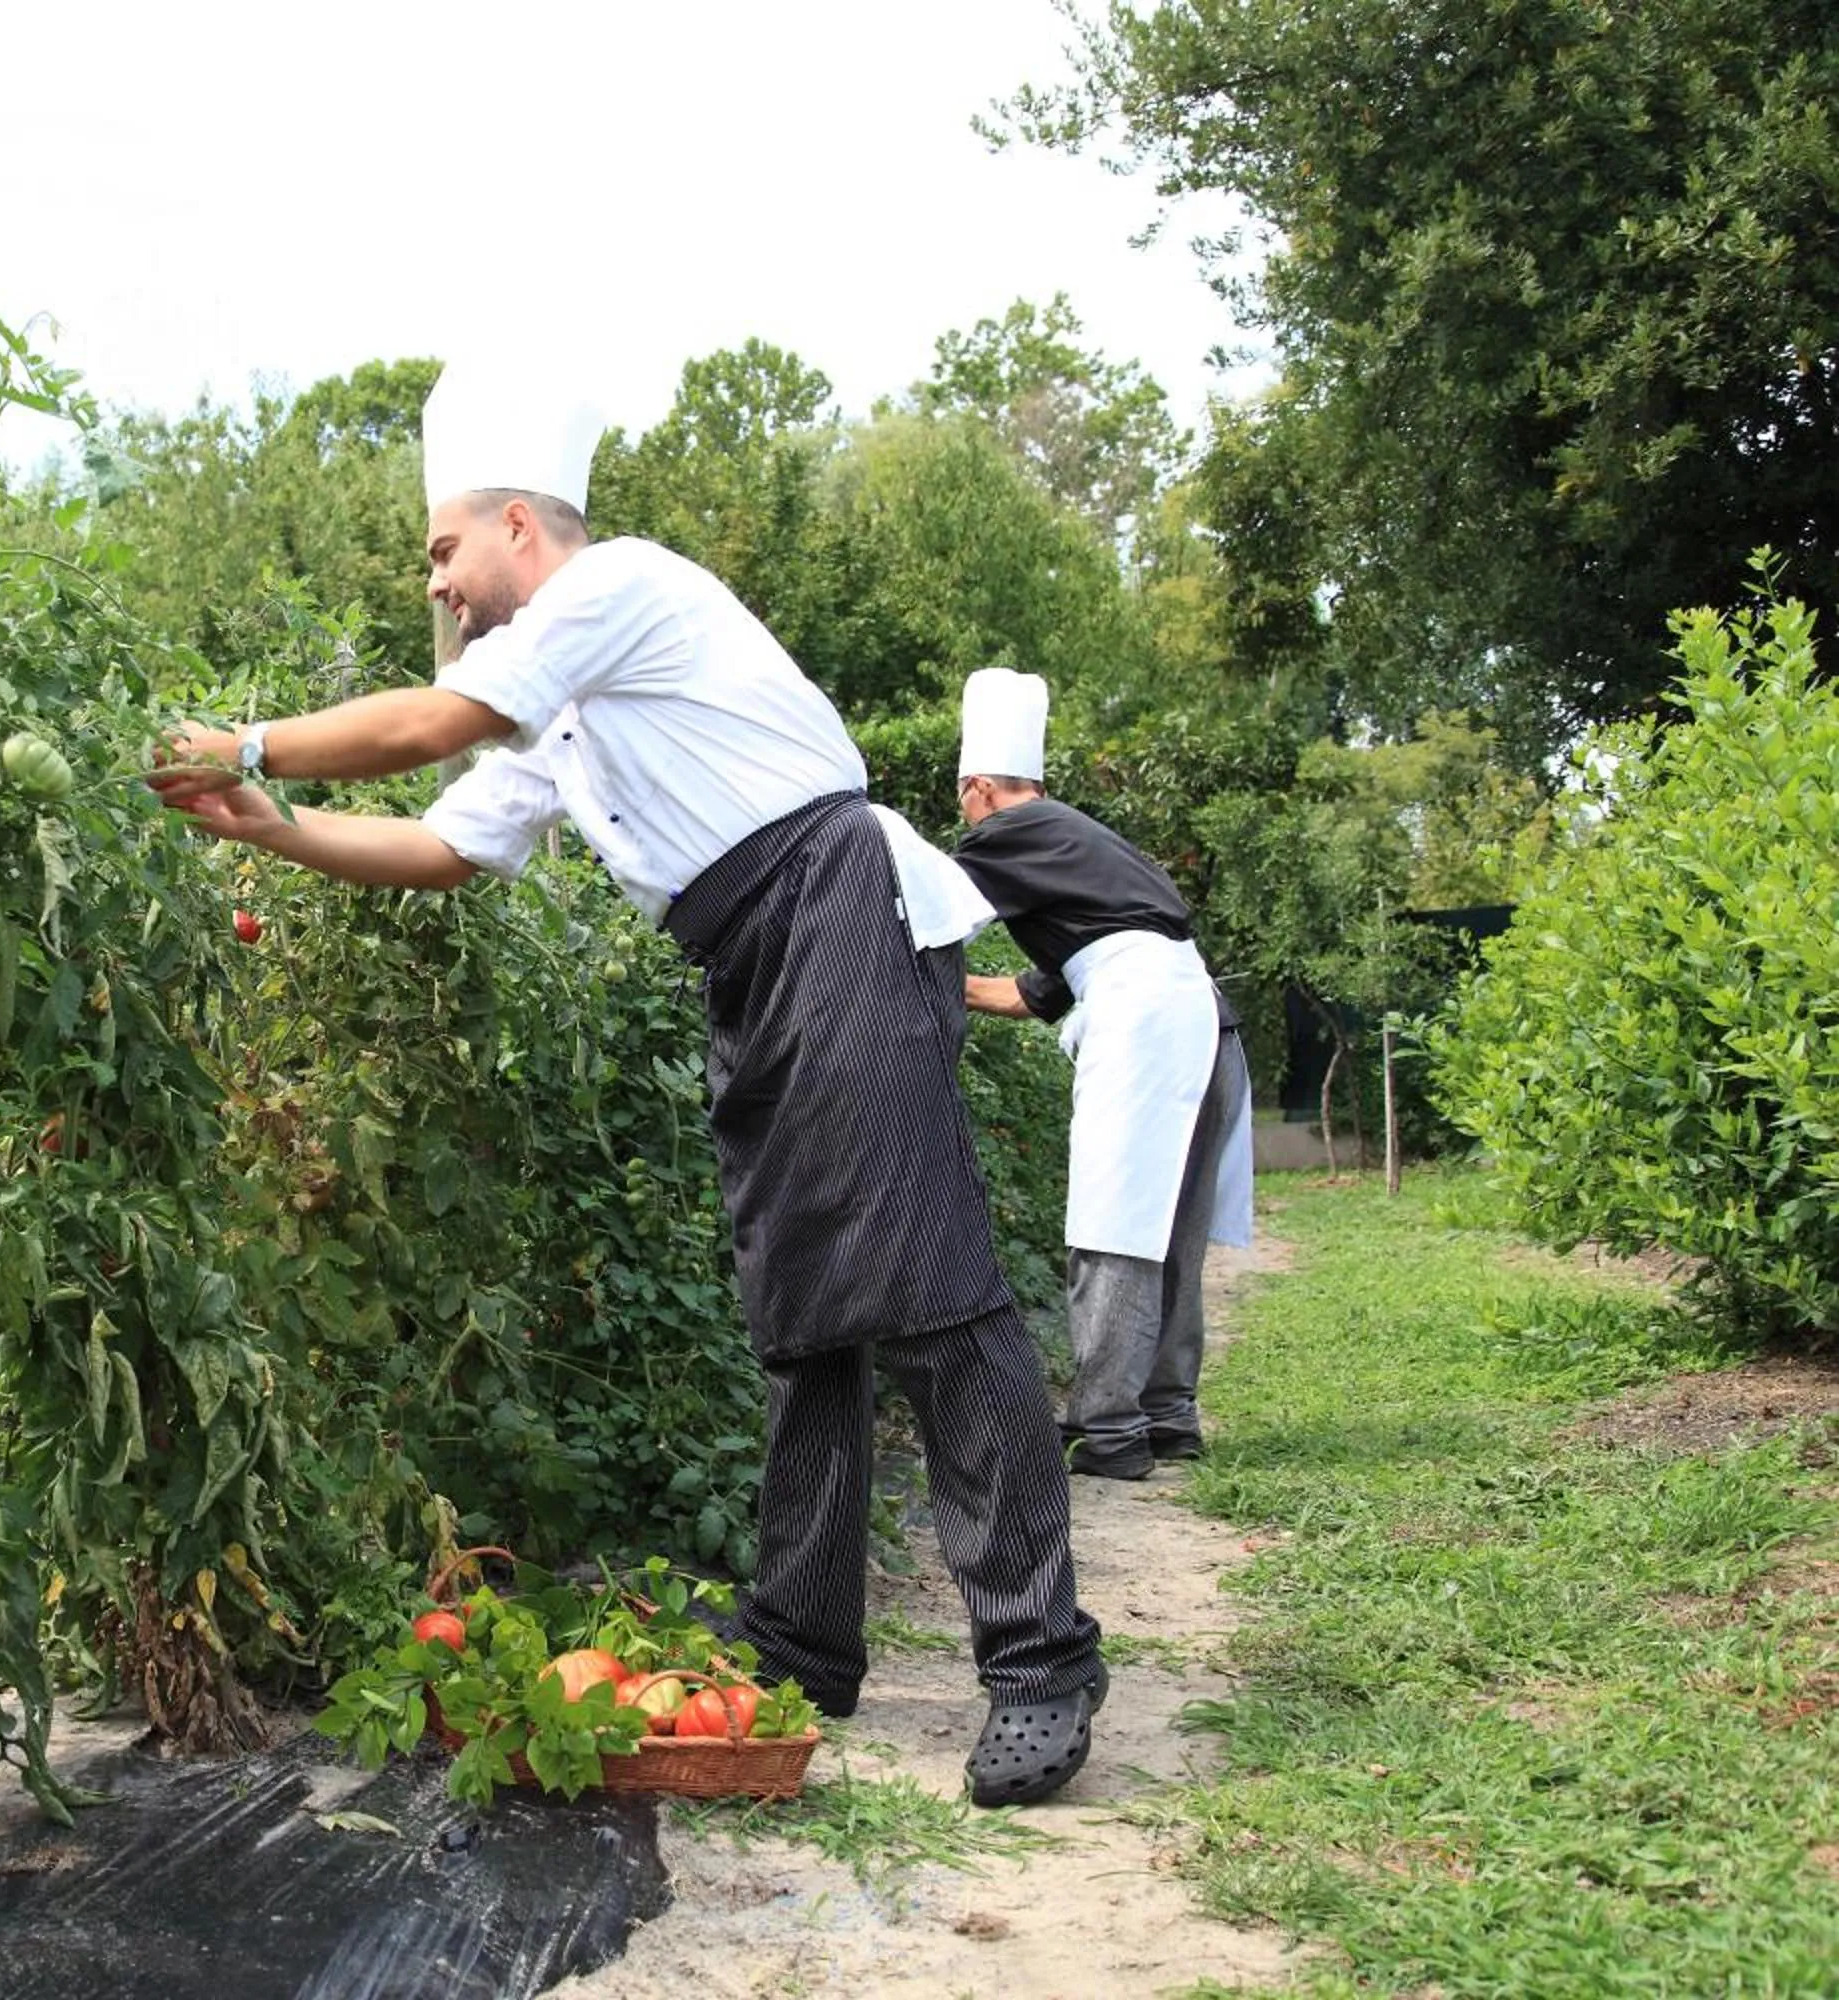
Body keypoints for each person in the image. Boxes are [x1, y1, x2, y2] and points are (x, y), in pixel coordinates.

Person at [146, 364, 1109, 1807]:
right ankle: (803, 1644)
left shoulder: (621, 585)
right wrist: (267, 824)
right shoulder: (563, 706)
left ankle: (1040, 1661)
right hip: (748, 957)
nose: (442, 585)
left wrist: (252, 743)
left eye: (444, 551)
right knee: (800, 1317)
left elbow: (426, 727)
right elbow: (447, 849)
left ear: (521, 526)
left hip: (837, 905)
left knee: (925, 1290)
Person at [948, 668, 1257, 1481]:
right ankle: (1167, 1416)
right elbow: (1031, 989)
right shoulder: (1086, 853)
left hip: (1147, 1022)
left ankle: (1109, 1430)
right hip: (1205, 1017)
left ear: (979, 787)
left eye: (962, 801)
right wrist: (949, 988)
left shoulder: (1000, 837)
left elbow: (927, 905)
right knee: (1174, 1230)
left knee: (1115, 1223)